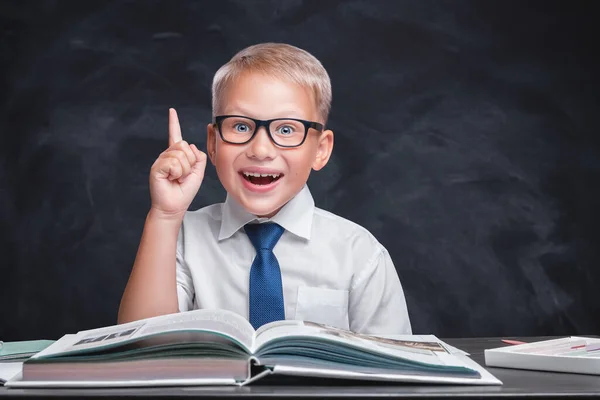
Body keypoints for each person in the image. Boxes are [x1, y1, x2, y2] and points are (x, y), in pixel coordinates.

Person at [118, 43, 412, 334]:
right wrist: (165, 215)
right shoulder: (181, 238)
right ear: (213, 143)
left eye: (286, 129)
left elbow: (395, 370)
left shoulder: (360, 254)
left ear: (321, 150)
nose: (260, 149)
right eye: (241, 127)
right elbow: (141, 347)